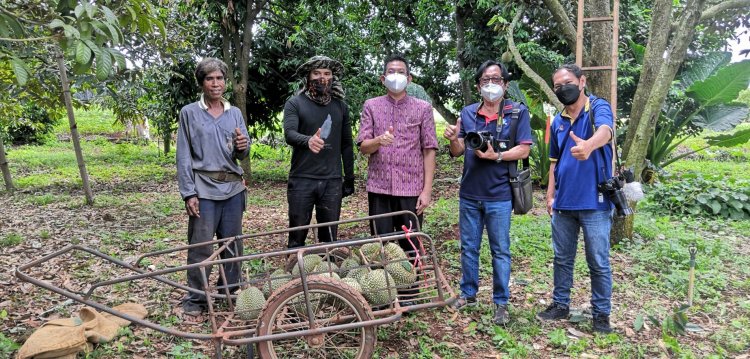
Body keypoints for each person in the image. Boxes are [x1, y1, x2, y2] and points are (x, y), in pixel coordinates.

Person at [443, 60, 532, 325]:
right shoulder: (468, 113)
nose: (490, 85)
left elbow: (524, 149)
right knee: (469, 247)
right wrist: (452, 138)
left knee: (500, 250)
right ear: (478, 84)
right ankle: (468, 294)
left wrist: (498, 155)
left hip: (500, 195)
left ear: (505, 84)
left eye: (496, 80)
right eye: (485, 80)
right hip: (469, 193)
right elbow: (458, 151)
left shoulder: (517, 112)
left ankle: (501, 303)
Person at [536, 63, 615, 334]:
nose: (562, 89)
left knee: (598, 261)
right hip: (564, 203)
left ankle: (601, 315)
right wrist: (550, 196)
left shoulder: (598, 108)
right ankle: (560, 304)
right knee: (562, 257)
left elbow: (606, 131)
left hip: (595, 202)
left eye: (567, 82)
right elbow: (553, 163)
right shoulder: (558, 121)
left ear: (582, 82)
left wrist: (588, 145)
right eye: (557, 86)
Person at [176, 57, 250, 318]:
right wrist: (189, 192)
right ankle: (196, 298)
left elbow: (242, 153)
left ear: (225, 82)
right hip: (203, 189)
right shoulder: (189, 113)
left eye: (219, 78)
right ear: (202, 83)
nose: (215, 83)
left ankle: (228, 292)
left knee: (232, 245)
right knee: (202, 246)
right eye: (210, 79)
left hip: (232, 188)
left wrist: (243, 146)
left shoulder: (234, 113)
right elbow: (183, 156)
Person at [357, 54, 437, 237]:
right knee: (380, 245)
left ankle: (413, 267)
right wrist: (378, 141)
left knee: (411, 245)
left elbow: (429, 150)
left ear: (409, 79)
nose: (396, 76)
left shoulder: (423, 108)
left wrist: (427, 191)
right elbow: (364, 147)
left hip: (410, 187)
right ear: (383, 79)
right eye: (391, 72)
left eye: (401, 72)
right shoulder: (371, 106)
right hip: (379, 187)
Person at [283, 55, 355, 248]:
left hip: (331, 181)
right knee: (297, 237)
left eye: (327, 74)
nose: (322, 78)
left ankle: (326, 275)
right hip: (302, 179)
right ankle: (296, 273)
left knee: (329, 238)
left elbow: (347, 144)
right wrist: (308, 140)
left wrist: (349, 177)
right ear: (307, 77)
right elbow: (289, 134)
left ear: (333, 77)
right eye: (316, 73)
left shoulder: (340, 106)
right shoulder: (295, 103)